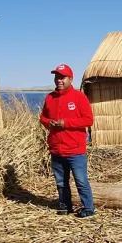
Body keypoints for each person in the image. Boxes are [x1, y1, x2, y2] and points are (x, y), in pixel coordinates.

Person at [39, 64, 95, 217]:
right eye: (57, 77)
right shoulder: (50, 98)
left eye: (62, 77)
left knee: (81, 181)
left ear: (70, 79)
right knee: (61, 182)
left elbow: (89, 120)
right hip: (56, 148)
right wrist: (48, 122)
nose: (59, 80)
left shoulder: (79, 97)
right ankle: (65, 206)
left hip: (75, 149)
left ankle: (88, 208)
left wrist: (66, 123)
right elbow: (42, 117)